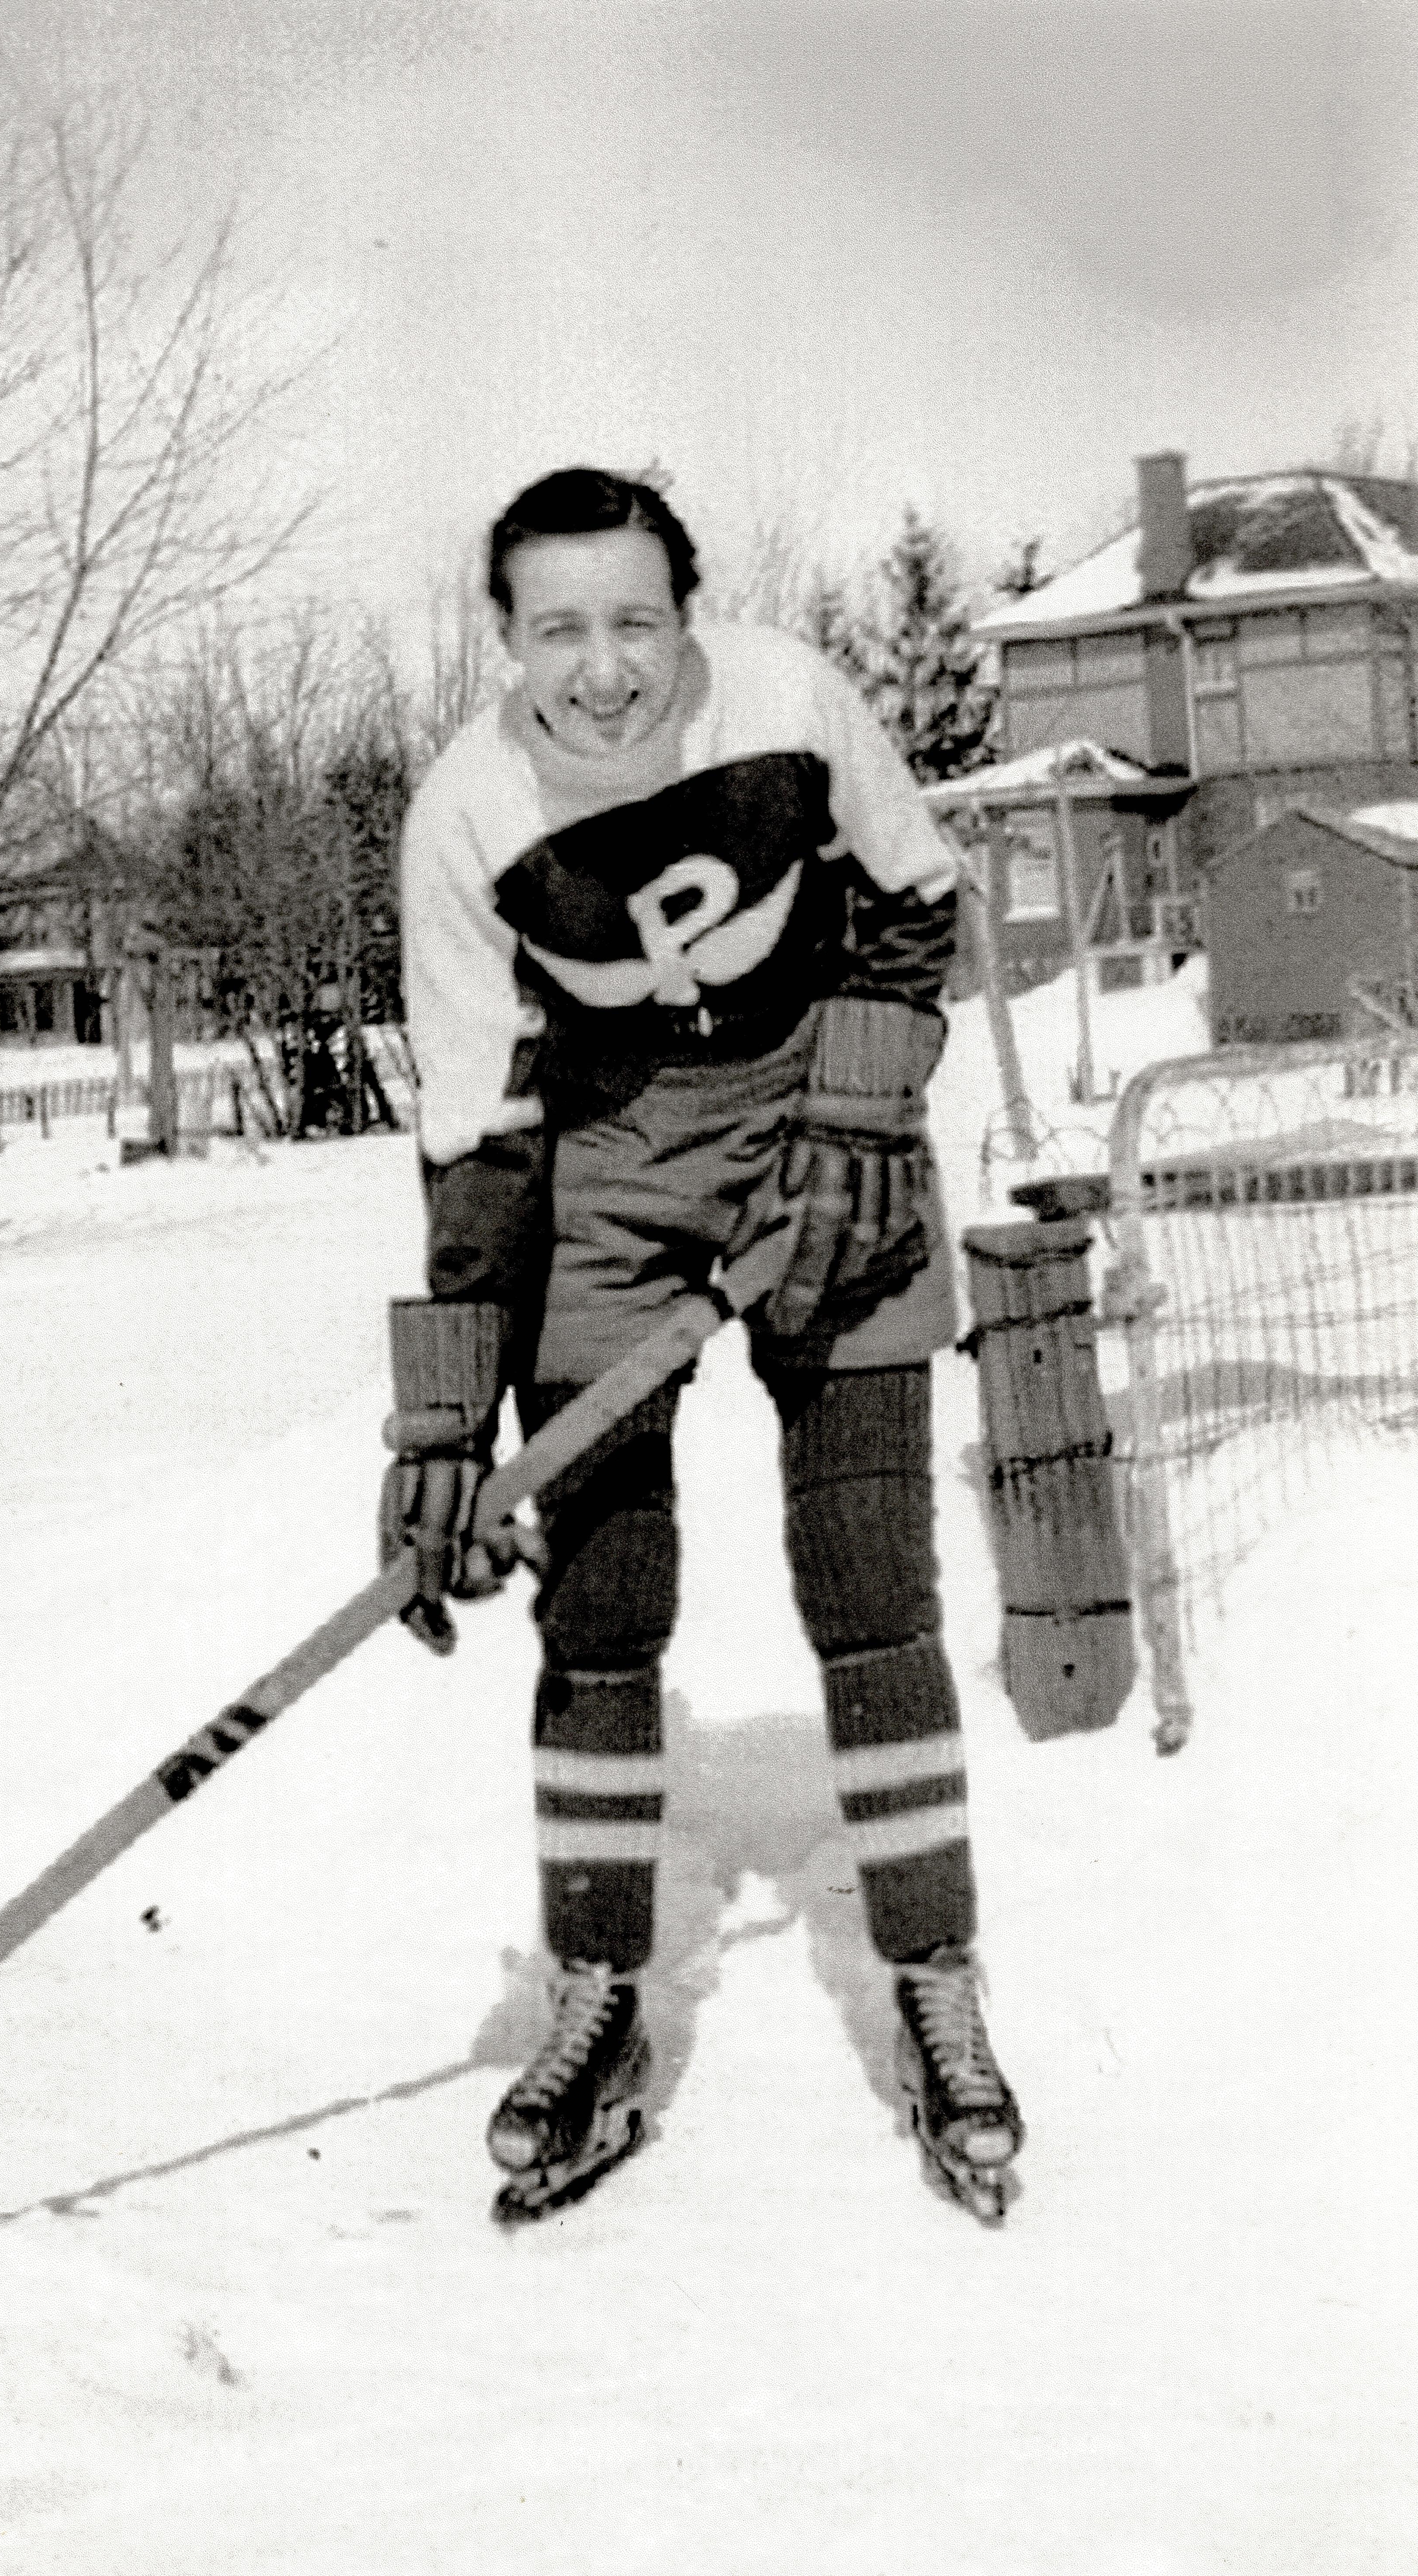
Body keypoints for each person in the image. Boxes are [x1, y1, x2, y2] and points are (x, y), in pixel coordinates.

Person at [378, 466, 1023, 2226]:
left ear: (689, 609)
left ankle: (932, 1979)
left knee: (866, 1576)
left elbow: (912, 899)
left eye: (634, 619)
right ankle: (594, 1993)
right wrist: (442, 1423)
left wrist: (861, 1107)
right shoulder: (463, 813)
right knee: (598, 1609)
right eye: (556, 628)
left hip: (829, 1129)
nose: (601, 669)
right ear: (502, 636)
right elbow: (475, 1131)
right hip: (603, 1169)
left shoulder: (790, 700)